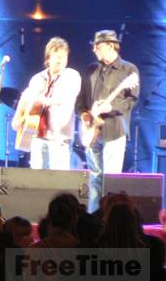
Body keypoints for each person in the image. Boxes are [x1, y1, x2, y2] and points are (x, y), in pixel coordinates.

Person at [76, 29, 139, 213]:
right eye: (94, 45)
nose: (94, 49)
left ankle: (110, 218)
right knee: (94, 178)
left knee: (111, 179)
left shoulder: (128, 70)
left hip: (114, 131)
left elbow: (132, 100)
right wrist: (83, 114)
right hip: (92, 132)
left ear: (111, 45)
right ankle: (93, 217)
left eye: (98, 45)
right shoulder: (91, 69)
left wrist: (111, 107)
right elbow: (82, 98)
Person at [12, 37, 81, 170]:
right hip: (37, 132)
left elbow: (66, 98)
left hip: (60, 135)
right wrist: (17, 117)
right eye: (58, 57)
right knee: (37, 174)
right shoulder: (38, 78)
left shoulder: (72, 76)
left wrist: (43, 100)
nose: (61, 60)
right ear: (48, 58)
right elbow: (25, 97)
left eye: (64, 57)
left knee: (59, 174)